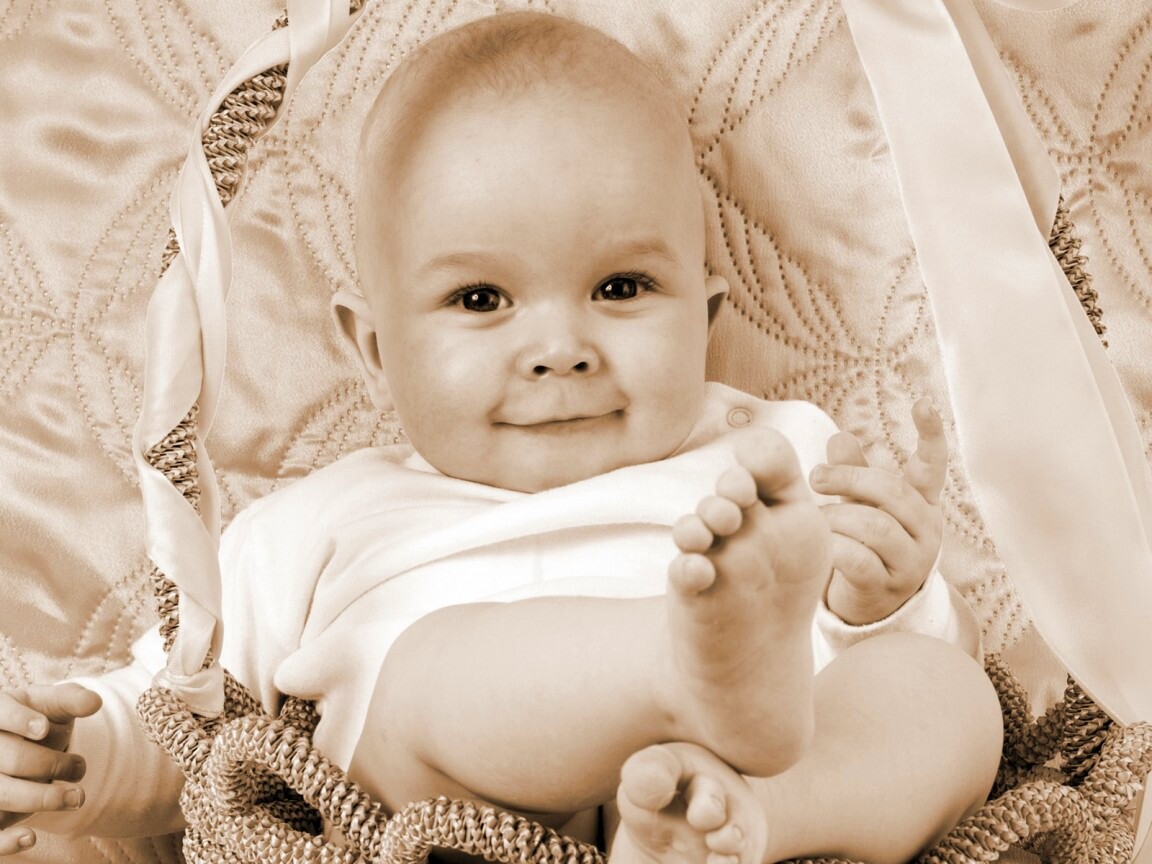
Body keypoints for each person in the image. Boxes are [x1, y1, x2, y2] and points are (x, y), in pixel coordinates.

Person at [0, 11, 1003, 863]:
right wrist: (68, 761)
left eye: (622, 288)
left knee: (951, 698)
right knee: (435, 673)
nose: (561, 349)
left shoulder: (776, 460)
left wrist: (882, 603)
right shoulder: (323, 520)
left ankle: (735, 824)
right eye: (481, 299)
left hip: (748, 782)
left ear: (705, 316)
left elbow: (882, 674)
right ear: (375, 349)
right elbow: (184, 718)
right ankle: (680, 674)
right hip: (454, 813)